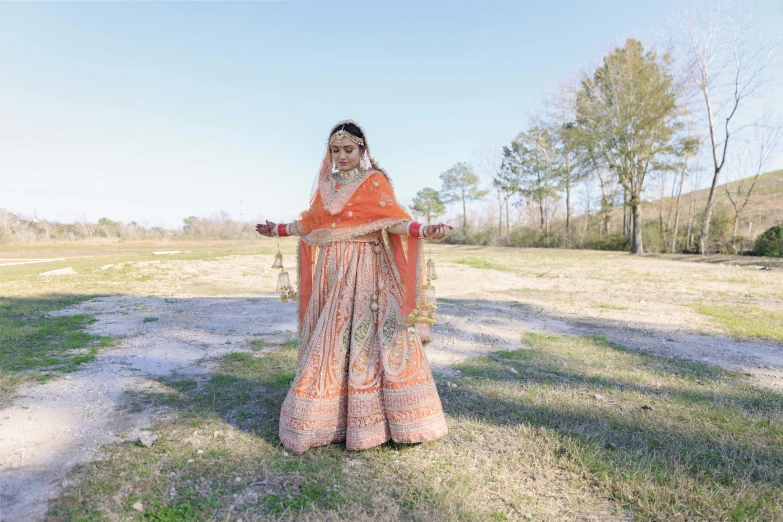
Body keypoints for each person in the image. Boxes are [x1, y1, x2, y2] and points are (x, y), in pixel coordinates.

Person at [256, 120, 452, 454]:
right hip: (333, 270)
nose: (341, 156)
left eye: (348, 149)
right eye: (335, 150)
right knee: (332, 335)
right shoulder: (326, 185)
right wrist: (279, 229)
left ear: (363, 150)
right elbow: (311, 224)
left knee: (375, 336)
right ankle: (326, 419)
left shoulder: (375, 181)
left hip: (370, 270)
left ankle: (394, 420)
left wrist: (423, 229)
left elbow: (394, 221)